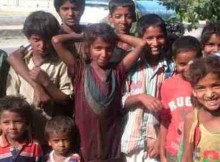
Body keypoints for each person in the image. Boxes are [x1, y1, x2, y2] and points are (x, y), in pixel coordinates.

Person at [52, 23, 147, 162]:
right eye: (98, 48)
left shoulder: (117, 71)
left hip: (111, 146)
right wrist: (84, 36)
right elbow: (56, 41)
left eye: (109, 49)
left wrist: (113, 35)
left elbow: (141, 44)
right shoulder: (80, 71)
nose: (104, 54)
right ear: (88, 49)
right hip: (85, 145)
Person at [6, 11, 73, 142]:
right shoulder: (21, 62)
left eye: (47, 40)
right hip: (22, 132)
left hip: (49, 131)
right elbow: (11, 98)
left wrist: (47, 83)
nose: (42, 45)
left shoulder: (60, 63)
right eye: (36, 40)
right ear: (28, 38)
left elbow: (65, 98)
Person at [6, 0, 85, 107]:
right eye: (65, 9)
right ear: (58, 10)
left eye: (75, 8)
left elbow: (66, 98)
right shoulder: (45, 31)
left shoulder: (60, 62)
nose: (70, 13)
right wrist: (37, 86)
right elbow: (13, 57)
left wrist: (81, 36)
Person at [121, 14, 174, 162]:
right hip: (131, 142)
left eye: (160, 37)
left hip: (157, 142)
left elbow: (174, 110)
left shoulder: (171, 69)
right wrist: (140, 97)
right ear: (139, 38)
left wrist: (160, 141)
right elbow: (118, 100)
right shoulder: (130, 66)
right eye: (149, 38)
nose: (155, 42)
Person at [159, 36, 202, 162]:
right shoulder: (167, 85)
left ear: (201, 58)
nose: (188, 68)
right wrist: (162, 152)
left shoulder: (206, 85)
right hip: (174, 150)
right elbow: (165, 120)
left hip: (201, 149)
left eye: (193, 63)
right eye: (182, 64)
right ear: (174, 61)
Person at [181, 55, 220, 162]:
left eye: (216, 85)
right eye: (201, 88)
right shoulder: (192, 119)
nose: (209, 94)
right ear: (194, 91)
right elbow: (187, 157)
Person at [0, 95, 42, 161]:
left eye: (17, 122)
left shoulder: (34, 146)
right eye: (6, 122)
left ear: (27, 123)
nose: (12, 127)